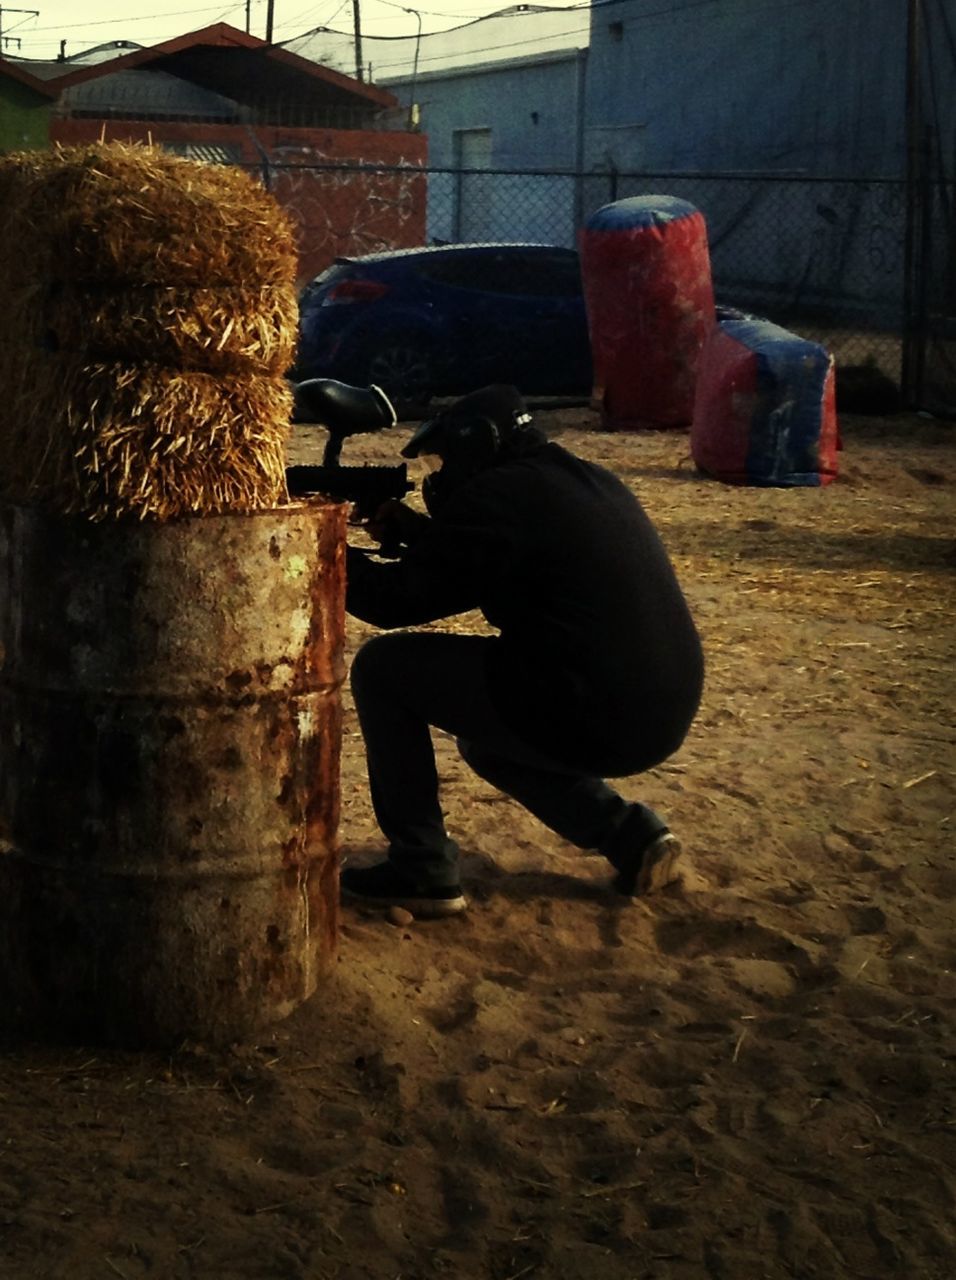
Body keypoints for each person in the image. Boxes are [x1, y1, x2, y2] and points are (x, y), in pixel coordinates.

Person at [341, 384, 704, 917]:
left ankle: (422, 868)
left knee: (382, 669)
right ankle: (634, 838)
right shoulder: (573, 479)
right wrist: (417, 532)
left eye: (445, 459)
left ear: (477, 444)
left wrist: (321, 547)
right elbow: (496, 559)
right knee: (490, 744)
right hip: (655, 707)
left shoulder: (502, 495)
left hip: (595, 706)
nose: (441, 477)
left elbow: (393, 603)